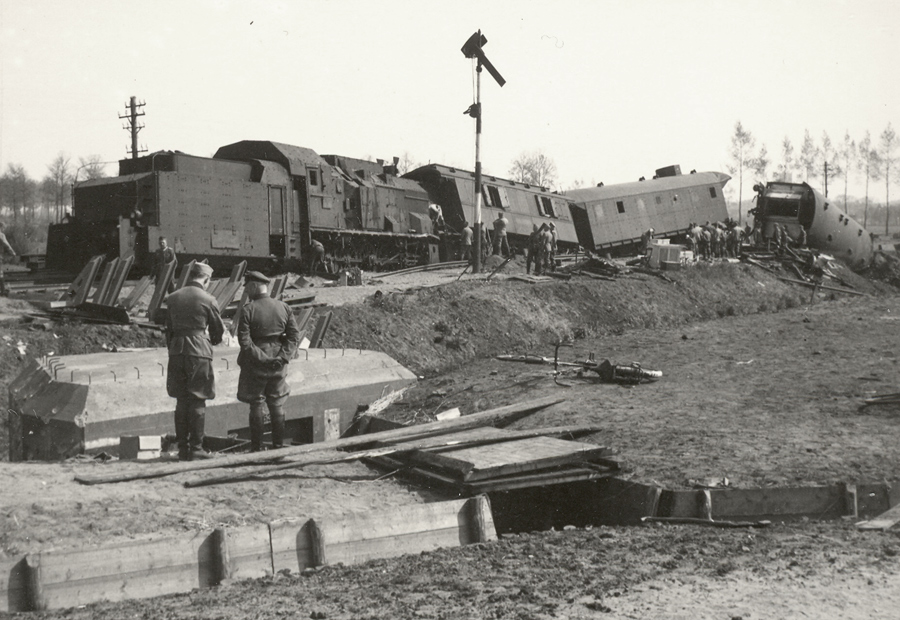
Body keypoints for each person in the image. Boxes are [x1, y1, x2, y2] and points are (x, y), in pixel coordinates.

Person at [165, 262, 225, 461]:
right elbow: (218, 331)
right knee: (198, 398)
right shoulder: (208, 299)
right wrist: (209, 341)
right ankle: (196, 448)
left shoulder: (173, 298)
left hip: (176, 351)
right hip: (199, 351)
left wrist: (174, 348)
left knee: (181, 400)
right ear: (206, 279)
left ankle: (183, 449)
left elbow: (169, 330)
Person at [236, 271, 301, 452]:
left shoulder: (248, 309)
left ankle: (256, 450)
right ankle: (278, 449)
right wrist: (282, 357)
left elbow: (244, 342)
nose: (247, 291)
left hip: (255, 362)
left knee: (256, 403)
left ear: (255, 286)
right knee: (276, 402)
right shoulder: (284, 307)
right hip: (278, 363)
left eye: (248, 287)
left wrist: (262, 359)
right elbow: (294, 336)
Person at [0, 222, 16, 297]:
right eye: (3, 228)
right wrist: (13, 253)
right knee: (0, 274)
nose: (3, 229)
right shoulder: (1, 235)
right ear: (1, 227)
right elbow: (6, 245)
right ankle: (3, 291)